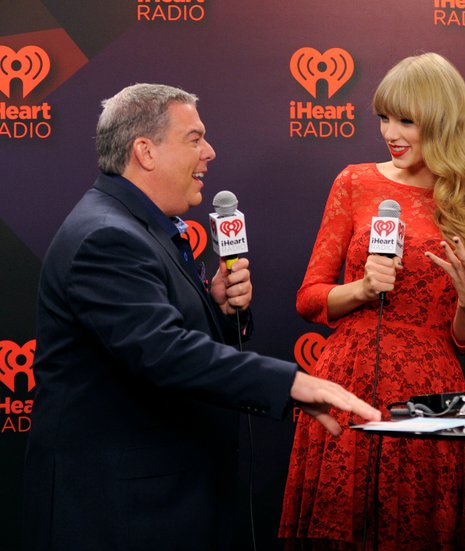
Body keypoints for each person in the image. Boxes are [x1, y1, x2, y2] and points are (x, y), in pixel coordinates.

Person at [22, 83, 380, 551]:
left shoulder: (137, 227)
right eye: (194, 138)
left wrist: (216, 308)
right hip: (120, 515)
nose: (210, 152)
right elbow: (164, 353)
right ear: (145, 152)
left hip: (162, 506)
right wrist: (292, 383)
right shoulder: (106, 238)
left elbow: (154, 339)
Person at [279, 53, 465, 550]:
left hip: (430, 391)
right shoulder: (355, 182)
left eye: (407, 120)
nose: (391, 132)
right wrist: (362, 289)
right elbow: (309, 296)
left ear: (442, 122)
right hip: (346, 381)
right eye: (384, 117)